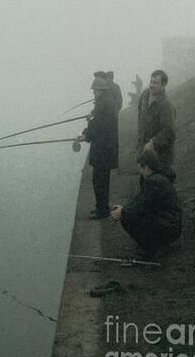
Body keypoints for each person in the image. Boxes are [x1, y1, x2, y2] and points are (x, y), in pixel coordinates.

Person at [110, 149, 182, 257]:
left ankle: (151, 247)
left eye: (139, 167)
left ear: (147, 167)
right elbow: (141, 200)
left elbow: (142, 205)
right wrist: (124, 208)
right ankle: (157, 243)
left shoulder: (154, 182)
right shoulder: (157, 177)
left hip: (169, 226)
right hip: (170, 222)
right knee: (131, 214)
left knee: (127, 218)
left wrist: (124, 212)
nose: (138, 170)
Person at [77, 76, 119, 219]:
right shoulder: (106, 102)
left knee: (99, 180)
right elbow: (97, 122)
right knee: (101, 180)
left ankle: (102, 211)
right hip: (106, 148)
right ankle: (101, 207)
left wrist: (85, 136)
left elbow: (98, 126)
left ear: (101, 90)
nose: (93, 92)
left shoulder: (103, 104)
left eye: (94, 90)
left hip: (103, 149)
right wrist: (87, 130)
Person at [137, 69, 176, 166]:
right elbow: (139, 113)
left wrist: (153, 143)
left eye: (155, 83)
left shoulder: (166, 106)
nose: (151, 85)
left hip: (160, 158)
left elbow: (169, 133)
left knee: (157, 181)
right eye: (151, 81)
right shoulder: (144, 96)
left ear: (163, 86)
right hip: (143, 153)